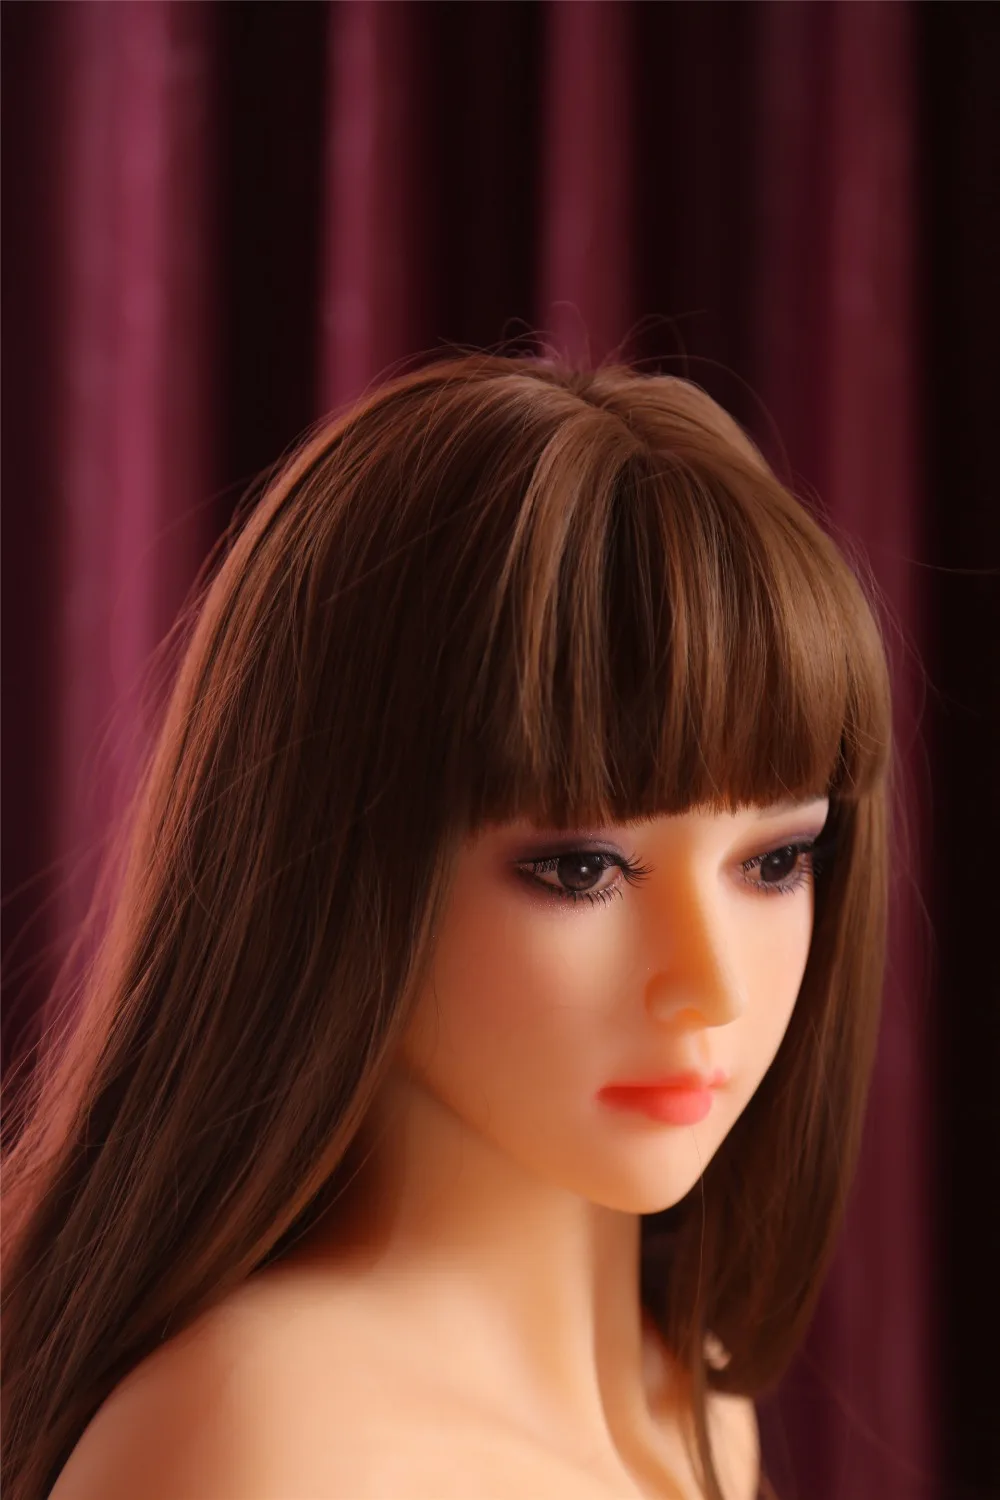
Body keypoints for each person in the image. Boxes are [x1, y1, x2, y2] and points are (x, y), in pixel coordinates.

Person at [1, 353, 895, 1500]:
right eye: (581, 870)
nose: (710, 985)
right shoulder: (264, 1449)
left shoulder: (695, 1404)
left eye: (774, 862)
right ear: (335, 866)